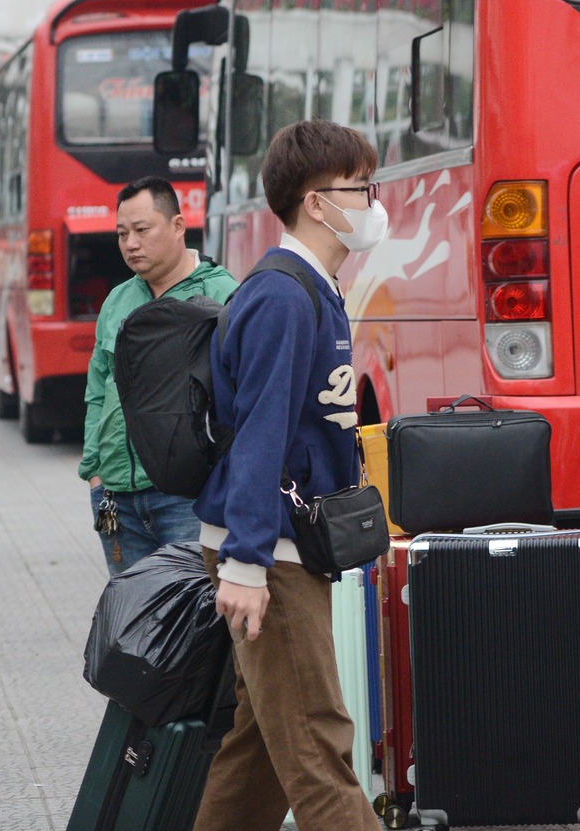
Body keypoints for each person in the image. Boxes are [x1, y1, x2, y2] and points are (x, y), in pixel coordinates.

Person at [194, 120, 379, 831]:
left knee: (263, 754)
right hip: (269, 550)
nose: (372, 201)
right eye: (360, 187)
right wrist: (245, 562)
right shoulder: (281, 296)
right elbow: (260, 433)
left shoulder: (314, 288)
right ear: (316, 202)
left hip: (278, 543)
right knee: (316, 745)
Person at [78, 176, 238, 574]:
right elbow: (97, 389)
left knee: (190, 610)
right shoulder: (118, 300)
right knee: (132, 610)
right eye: (122, 234)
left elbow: (240, 398)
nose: (130, 244)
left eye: (142, 230)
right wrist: (94, 471)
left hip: (188, 500)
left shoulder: (222, 295)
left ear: (178, 226)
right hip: (117, 498)